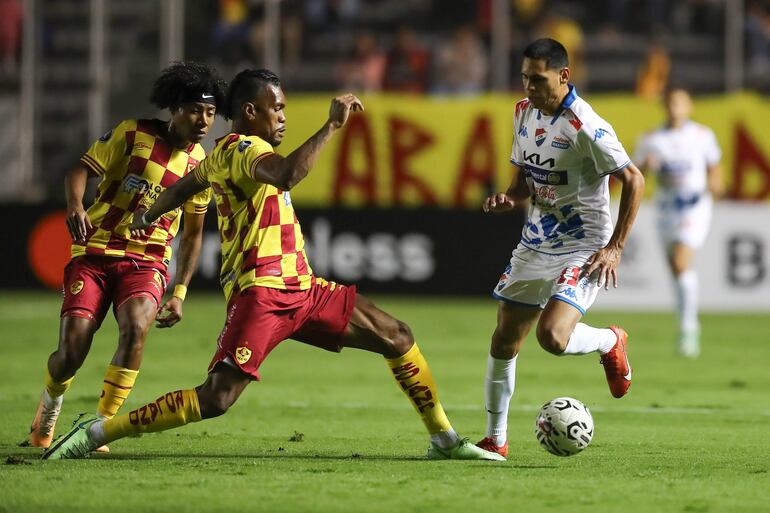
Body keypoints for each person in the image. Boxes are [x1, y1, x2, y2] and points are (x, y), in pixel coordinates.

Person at [42, 69, 503, 462]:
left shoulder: (219, 154)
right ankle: (96, 432)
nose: (282, 116)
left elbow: (185, 189)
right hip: (261, 293)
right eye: (276, 109)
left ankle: (443, 439)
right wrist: (330, 127)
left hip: (302, 288)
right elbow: (287, 174)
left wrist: (148, 213)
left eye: (283, 109)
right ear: (249, 112)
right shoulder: (244, 150)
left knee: (397, 336)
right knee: (216, 399)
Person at [27, 62, 226, 452]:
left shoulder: (202, 168)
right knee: (72, 352)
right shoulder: (133, 133)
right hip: (96, 251)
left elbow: (192, 236)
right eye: (194, 110)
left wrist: (180, 290)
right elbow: (80, 171)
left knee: (136, 326)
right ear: (175, 108)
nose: (203, 120)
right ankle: (49, 406)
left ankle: (100, 426)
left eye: (210, 112)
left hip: (146, 261)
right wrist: (75, 206)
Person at [474, 39, 645, 458]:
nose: (528, 86)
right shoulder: (522, 113)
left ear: (563, 75)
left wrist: (615, 247)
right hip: (536, 241)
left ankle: (609, 341)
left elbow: (635, 180)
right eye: (524, 77)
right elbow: (521, 187)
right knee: (504, 340)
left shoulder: (585, 125)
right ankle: (496, 441)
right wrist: (507, 199)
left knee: (552, 336)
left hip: (582, 244)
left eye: (537, 78)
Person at [634, 88, 722, 358]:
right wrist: (646, 165)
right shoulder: (651, 139)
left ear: (689, 106)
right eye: (670, 103)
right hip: (665, 209)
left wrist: (716, 185)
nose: (675, 108)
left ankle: (688, 328)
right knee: (675, 269)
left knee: (681, 263)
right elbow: (634, 174)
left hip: (694, 207)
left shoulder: (702, 135)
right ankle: (689, 320)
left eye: (679, 103)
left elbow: (714, 166)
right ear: (664, 106)